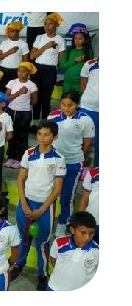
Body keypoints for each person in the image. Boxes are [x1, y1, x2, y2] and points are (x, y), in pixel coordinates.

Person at [10, 118, 65, 290]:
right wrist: (24, 204)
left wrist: (42, 209)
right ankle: (19, 265)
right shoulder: (28, 154)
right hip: (26, 202)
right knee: (23, 237)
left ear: (54, 137)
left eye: (47, 135)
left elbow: (57, 189)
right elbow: (20, 179)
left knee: (42, 243)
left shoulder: (58, 158)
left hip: (45, 206)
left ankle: (42, 274)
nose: (42, 138)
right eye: (40, 134)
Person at [48, 91, 94, 227]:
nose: (66, 108)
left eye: (70, 105)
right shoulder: (53, 116)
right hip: (54, 161)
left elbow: (88, 141)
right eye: (63, 104)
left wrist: (80, 155)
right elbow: (47, 136)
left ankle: (63, 223)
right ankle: (48, 221)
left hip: (73, 162)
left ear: (77, 104)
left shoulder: (85, 119)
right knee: (48, 194)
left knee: (67, 197)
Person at [47, 211, 98, 290]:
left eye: (91, 233)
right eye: (83, 232)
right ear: (72, 230)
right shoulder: (59, 243)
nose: (87, 237)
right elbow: (53, 259)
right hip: (54, 287)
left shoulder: (97, 250)